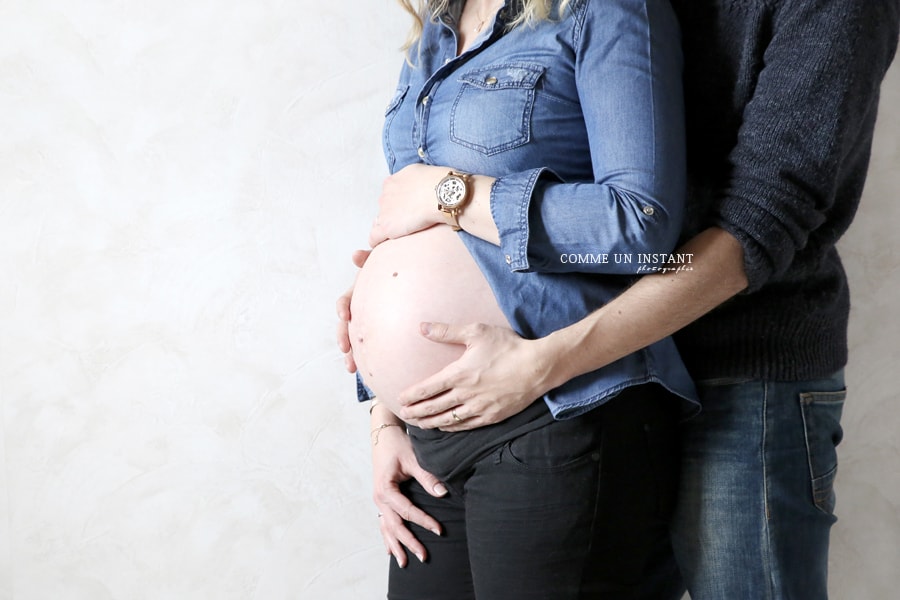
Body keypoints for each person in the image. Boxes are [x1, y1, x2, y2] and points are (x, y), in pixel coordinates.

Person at [339, 0, 900, 598]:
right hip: (550, 377)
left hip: (737, 366)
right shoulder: (473, 20)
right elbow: (422, 211)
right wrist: (386, 399)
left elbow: (755, 222)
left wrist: (547, 358)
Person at [338, 0, 701, 597]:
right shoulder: (435, 30)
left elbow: (642, 231)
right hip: (427, 436)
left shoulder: (602, 10)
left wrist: (450, 193)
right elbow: (412, 222)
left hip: (554, 409)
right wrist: (386, 416)